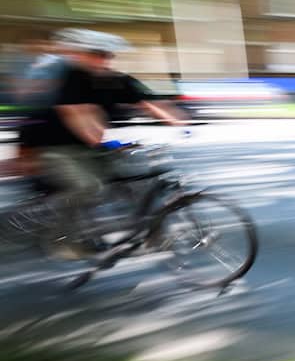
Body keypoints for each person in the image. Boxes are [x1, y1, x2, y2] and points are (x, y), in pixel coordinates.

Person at [18, 28, 188, 257]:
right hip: (57, 148)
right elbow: (78, 115)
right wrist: (101, 139)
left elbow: (149, 102)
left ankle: (153, 235)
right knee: (88, 187)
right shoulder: (70, 80)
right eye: (96, 53)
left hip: (93, 146)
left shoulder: (117, 80)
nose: (103, 59)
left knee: (140, 181)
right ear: (81, 54)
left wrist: (177, 122)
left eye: (107, 54)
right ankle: (62, 241)